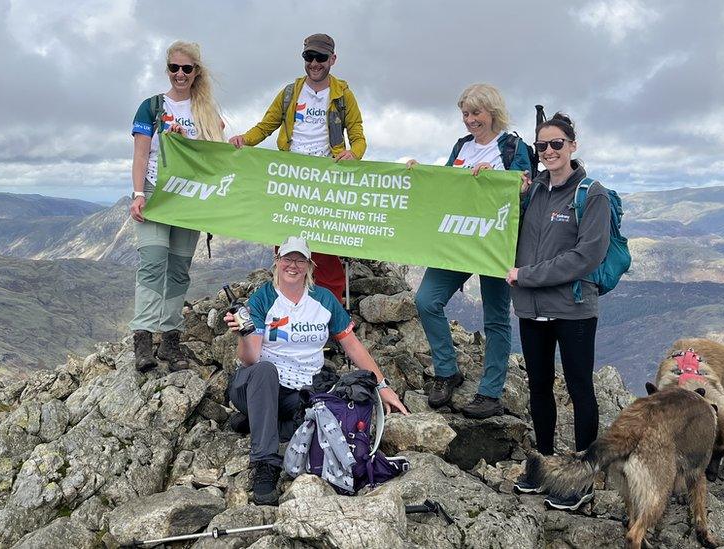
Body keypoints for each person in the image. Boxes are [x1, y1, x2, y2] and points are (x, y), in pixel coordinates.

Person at [224, 236, 408, 505]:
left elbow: (352, 346)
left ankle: (261, 422)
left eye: (300, 260)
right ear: (277, 262)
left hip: (300, 391)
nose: (293, 265)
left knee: (324, 422)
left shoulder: (323, 300)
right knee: (265, 370)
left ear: (310, 265)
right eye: (287, 258)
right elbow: (250, 358)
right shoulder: (263, 297)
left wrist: (382, 385)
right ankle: (265, 464)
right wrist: (243, 333)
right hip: (255, 384)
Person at [406, 83, 532, 419]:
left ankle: (489, 393)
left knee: (495, 319)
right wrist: (420, 175)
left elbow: (525, 190)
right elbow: (445, 185)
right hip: (457, 241)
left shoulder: (512, 146)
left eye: (476, 112)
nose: (470, 120)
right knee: (427, 300)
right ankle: (447, 371)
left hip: (495, 243)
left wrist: (501, 181)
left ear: (492, 112)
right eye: (465, 113)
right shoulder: (461, 146)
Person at [507, 113, 610, 511]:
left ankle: (582, 476)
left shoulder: (591, 195)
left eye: (556, 144)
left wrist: (527, 276)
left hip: (574, 309)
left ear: (572, 145)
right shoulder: (533, 192)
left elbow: (586, 256)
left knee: (580, 387)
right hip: (532, 309)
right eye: (542, 146)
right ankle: (545, 464)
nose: (549, 152)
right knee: (538, 387)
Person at [229, 33, 365, 304]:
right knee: (288, 250)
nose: (314, 63)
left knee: (324, 251)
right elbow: (266, 126)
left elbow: (358, 135)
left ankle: (330, 319)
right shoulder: (290, 92)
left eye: (321, 58)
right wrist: (245, 139)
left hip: (326, 181)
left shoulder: (343, 95)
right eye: (309, 57)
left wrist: (354, 154)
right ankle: (288, 312)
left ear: (332, 59)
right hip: (291, 181)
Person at [129, 41, 225, 371]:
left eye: (187, 68)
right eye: (174, 68)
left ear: (196, 71)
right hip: (156, 194)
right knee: (153, 261)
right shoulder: (151, 107)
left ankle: (170, 340)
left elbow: (218, 158)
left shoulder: (206, 112)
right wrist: (138, 193)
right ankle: (143, 340)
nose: (180, 74)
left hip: (189, 199)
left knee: (179, 270)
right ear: (167, 69)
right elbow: (141, 154)